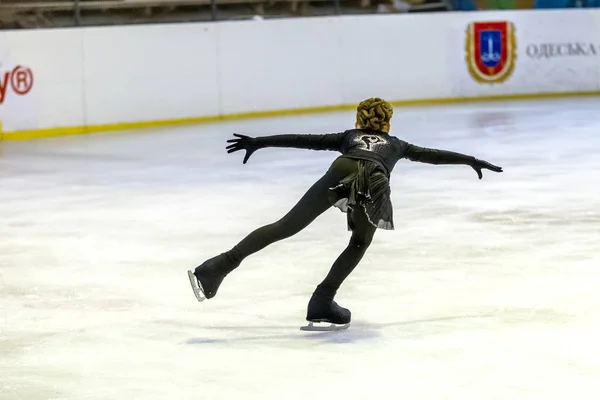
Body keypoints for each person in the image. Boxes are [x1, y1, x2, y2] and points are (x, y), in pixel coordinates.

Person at [187, 98, 503, 329]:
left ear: (357, 121)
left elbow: (303, 141)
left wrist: (259, 142)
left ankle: (217, 267)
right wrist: (471, 159)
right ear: (388, 126)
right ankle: (323, 300)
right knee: (358, 243)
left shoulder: (348, 138)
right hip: (374, 179)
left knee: (286, 226)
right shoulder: (396, 144)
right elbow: (434, 156)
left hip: (343, 167)